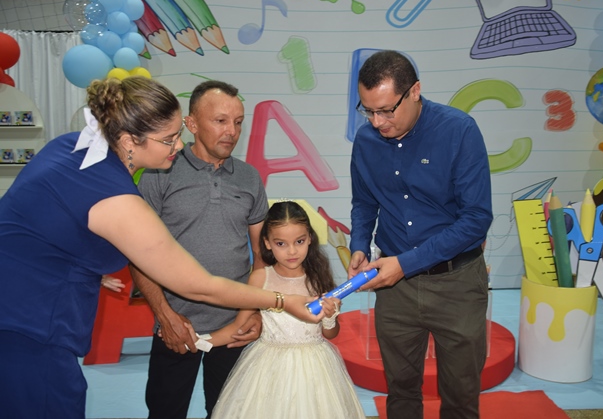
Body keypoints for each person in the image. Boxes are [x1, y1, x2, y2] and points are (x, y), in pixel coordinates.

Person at [0, 76, 320, 419]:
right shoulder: (115, 193)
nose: (178, 145)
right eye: (168, 139)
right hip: (30, 329)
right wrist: (283, 300)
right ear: (129, 140)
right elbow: (199, 285)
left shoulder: (74, 147)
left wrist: (85, 265)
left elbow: (45, 229)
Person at [348, 50, 493, 419]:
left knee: (461, 397)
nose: (377, 122)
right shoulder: (366, 141)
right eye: (368, 111)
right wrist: (359, 246)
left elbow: (476, 218)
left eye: (386, 110)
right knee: (400, 393)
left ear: (414, 91)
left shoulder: (459, 131)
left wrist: (406, 263)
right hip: (395, 289)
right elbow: (364, 203)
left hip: (457, 283)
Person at [129, 80, 268, 419]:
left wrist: (253, 313)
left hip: (235, 327)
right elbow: (138, 254)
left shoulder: (250, 178)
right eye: (220, 121)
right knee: (165, 412)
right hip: (176, 325)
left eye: (238, 122)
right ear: (191, 124)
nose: (231, 131)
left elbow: (262, 258)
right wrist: (165, 316)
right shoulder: (159, 172)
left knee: (228, 413)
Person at [208, 201, 366, 419]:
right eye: (281, 243)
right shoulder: (260, 278)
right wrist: (197, 341)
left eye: (299, 241)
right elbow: (239, 326)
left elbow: (330, 333)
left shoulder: (318, 277)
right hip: (268, 367)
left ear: (310, 238)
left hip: (315, 369)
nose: (292, 251)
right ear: (267, 243)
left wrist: (330, 317)